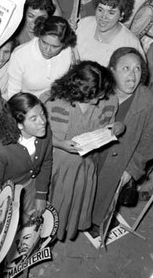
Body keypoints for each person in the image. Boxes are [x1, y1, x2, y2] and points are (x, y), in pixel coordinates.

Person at [45, 61, 122, 240]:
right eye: (93, 96)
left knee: (75, 202)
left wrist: (118, 126)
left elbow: (110, 125)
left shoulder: (107, 101)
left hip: (85, 165)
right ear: (78, 91)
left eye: (101, 94)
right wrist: (61, 143)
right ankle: (48, 234)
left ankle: (64, 230)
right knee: (56, 201)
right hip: (59, 165)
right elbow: (44, 136)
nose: (98, 100)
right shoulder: (57, 104)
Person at [92, 48, 153, 227]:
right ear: (112, 70)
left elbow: (149, 142)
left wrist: (132, 170)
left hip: (119, 163)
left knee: (103, 202)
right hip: (92, 156)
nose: (133, 76)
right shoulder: (98, 90)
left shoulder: (147, 100)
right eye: (126, 68)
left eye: (137, 69)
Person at [0, 93, 52, 223]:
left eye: (42, 113)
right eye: (34, 118)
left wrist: (41, 195)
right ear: (19, 125)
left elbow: (46, 162)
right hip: (9, 197)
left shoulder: (45, 131)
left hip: (32, 185)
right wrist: (18, 214)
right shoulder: (0, 149)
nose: (43, 121)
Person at [7, 16, 76, 99]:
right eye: (44, 42)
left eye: (55, 47)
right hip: (29, 104)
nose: (47, 50)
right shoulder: (19, 55)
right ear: (39, 35)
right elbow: (13, 94)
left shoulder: (68, 52)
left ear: (64, 45)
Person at [76, 0, 144, 67]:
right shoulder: (84, 24)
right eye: (100, 10)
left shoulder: (130, 43)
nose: (103, 17)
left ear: (121, 15)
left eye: (111, 13)